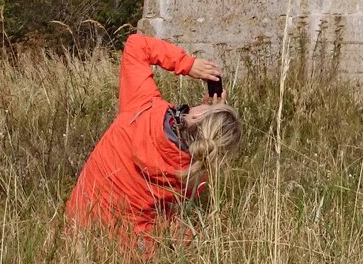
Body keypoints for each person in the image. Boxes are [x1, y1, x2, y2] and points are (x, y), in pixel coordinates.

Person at [66, 32, 242, 247]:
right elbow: (203, 164)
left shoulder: (142, 107)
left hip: (78, 224)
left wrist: (188, 64)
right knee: (191, 237)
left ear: (197, 116)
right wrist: (210, 118)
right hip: (131, 250)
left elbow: (136, 44)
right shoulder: (193, 176)